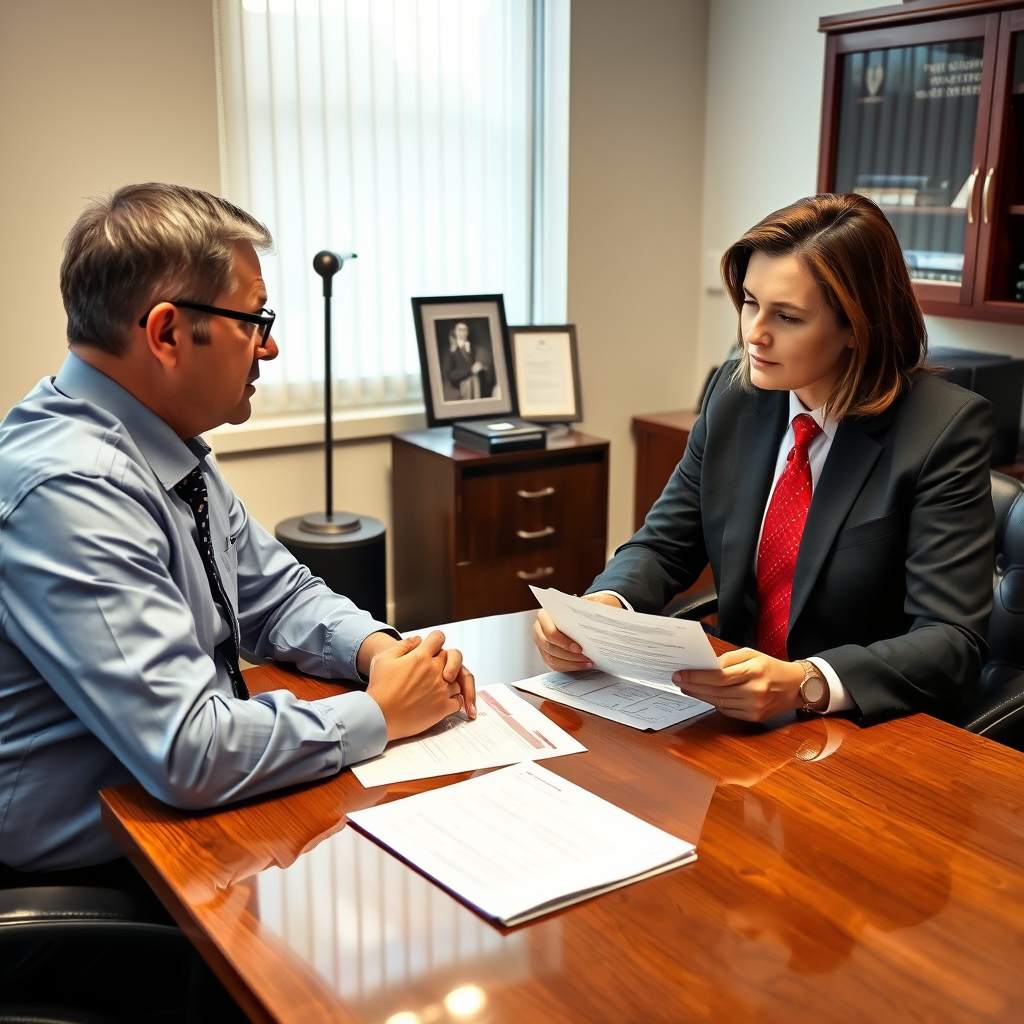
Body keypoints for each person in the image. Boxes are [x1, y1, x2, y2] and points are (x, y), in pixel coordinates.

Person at [0, 183, 477, 879]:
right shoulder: (72, 487)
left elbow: (276, 595)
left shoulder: (160, 443)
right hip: (106, 877)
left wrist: (380, 653)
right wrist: (378, 713)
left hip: (186, 823)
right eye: (255, 319)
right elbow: (188, 750)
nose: (270, 346)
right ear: (167, 333)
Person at [534, 193, 995, 726]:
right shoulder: (735, 396)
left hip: (858, 728)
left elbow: (951, 640)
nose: (754, 334)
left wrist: (807, 681)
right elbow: (663, 544)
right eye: (751, 303)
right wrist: (603, 609)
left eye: (788, 316)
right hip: (732, 712)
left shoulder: (943, 429)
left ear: (857, 326)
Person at [442, 320, 494, 400]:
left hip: (476, 389)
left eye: (465, 329)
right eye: (460, 329)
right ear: (455, 332)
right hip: (460, 391)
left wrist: (482, 369)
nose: (463, 332)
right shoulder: (450, 351)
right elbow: (450, 374)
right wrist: (471, 370)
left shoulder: (474, 348)